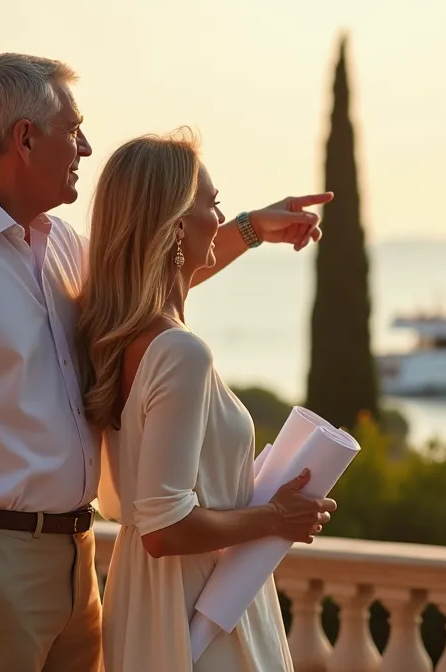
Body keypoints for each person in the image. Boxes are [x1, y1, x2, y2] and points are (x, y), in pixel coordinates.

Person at [0, 53, 333, 672]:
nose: (87, 147)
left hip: (80, 563)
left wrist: (249, 229)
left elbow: (154, 269)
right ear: (25, 139)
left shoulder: (60, 248)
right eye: (73, 130)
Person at [75, 130, 339, 672]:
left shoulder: (118, 332)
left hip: (147, 599)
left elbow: (171, 274)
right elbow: (166, 529)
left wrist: (252, 228)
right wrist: (275, 519)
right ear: (176, 225)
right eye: (212, 206)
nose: (219, 220)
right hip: (200, 603)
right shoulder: (180, 352)